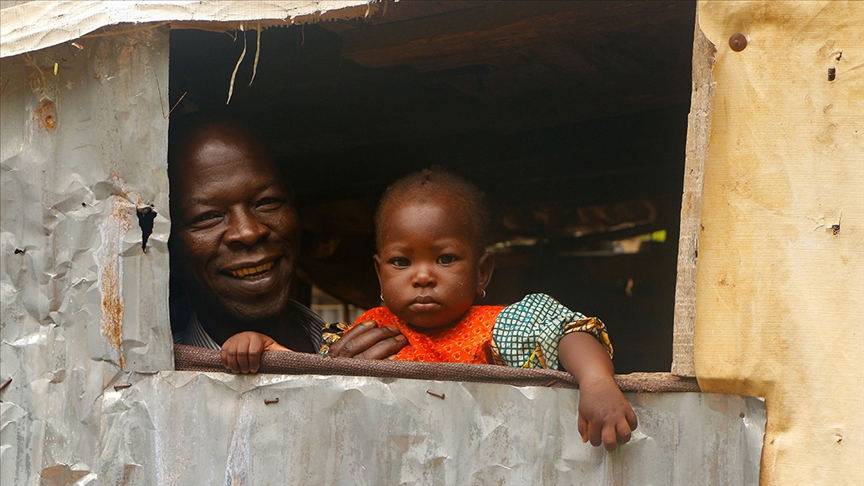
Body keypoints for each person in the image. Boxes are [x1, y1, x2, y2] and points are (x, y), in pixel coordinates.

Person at [331, 168, 637, 451]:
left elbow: (567, 333)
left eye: (446, 259)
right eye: (401, 262)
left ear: (482, 272)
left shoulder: (497, 328)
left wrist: (596, 381)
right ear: (378, 272)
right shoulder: (368, 332)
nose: (422, 276)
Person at [168, 114, 405, 373]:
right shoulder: (154, 384)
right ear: (167, 239)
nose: (248, 232)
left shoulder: (375, 354)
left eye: (266, 202)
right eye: (207, 217)